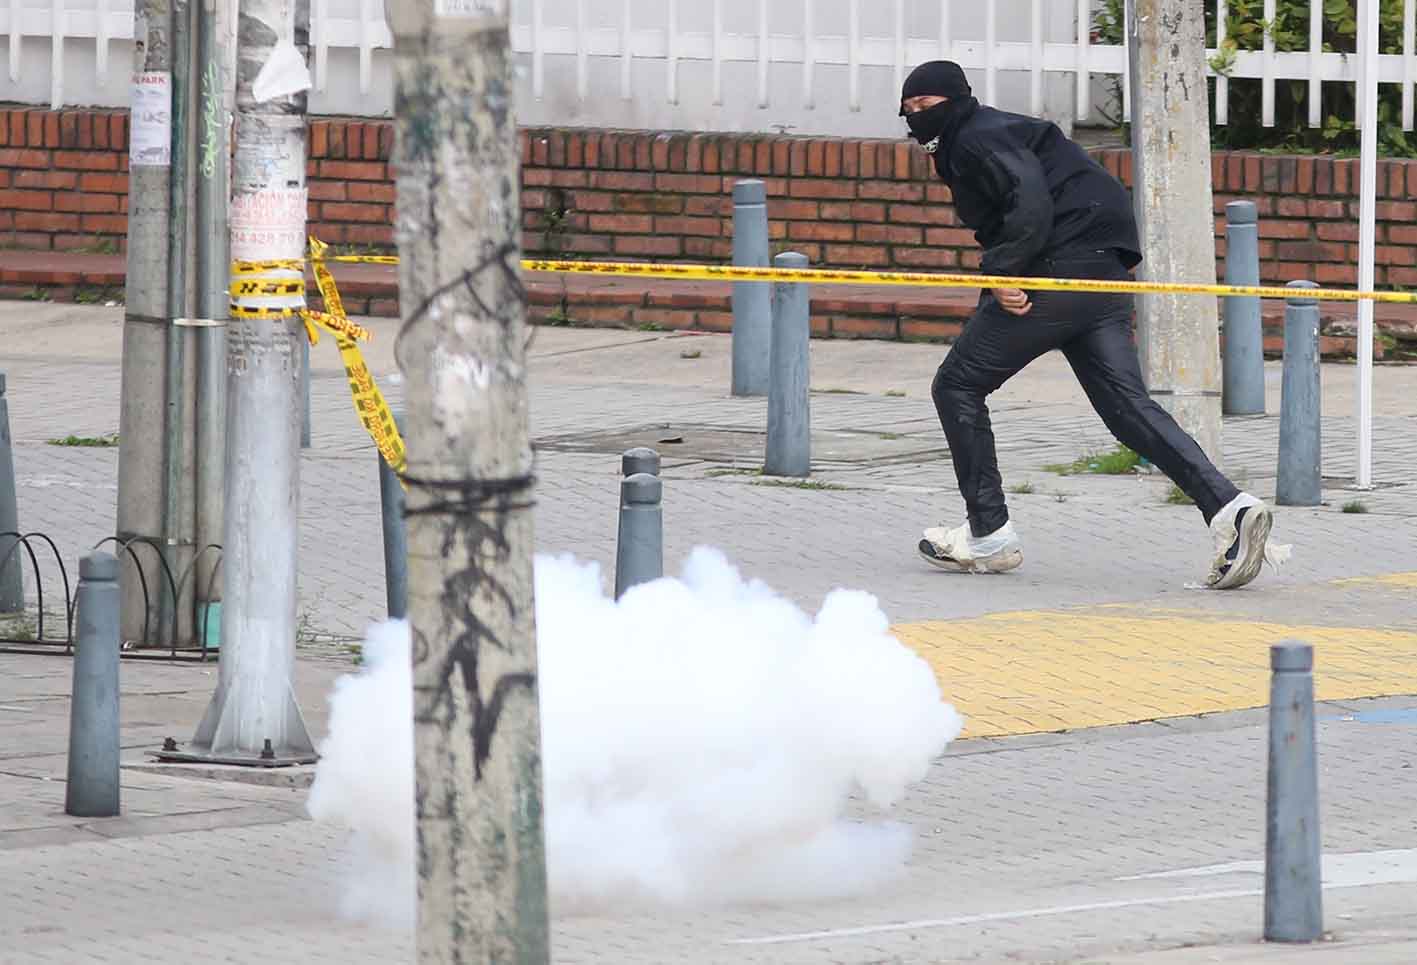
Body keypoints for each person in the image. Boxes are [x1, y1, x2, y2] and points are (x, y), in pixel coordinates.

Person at [899, 60, 1284, 590]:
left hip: (1057, 272)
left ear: (957, 100)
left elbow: (1028, 198)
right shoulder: (1000, 128)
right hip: (1103, 273)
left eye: (926, 105)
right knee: (1127, 408)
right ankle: (1230, 508)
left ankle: (988, 532)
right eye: (908, 110)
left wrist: (1004, 272)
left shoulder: (974, 138)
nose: (917, 117)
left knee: (957, 385)